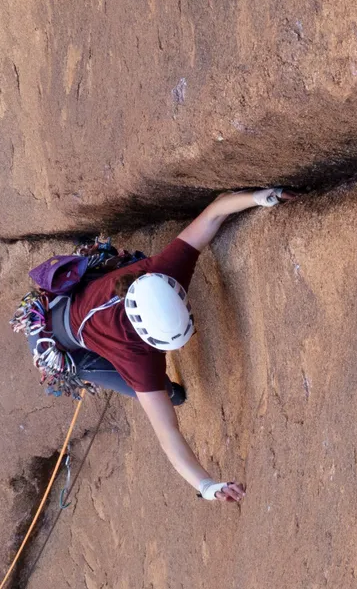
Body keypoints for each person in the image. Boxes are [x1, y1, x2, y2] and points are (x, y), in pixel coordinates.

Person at [52, 187, 282, 502]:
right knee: (154, 393)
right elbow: (167, 435)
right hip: (62, 341)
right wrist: (205, 486)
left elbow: (215, 212)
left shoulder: (161, 273)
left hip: (79, 295)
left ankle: (168, 392)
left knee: (157, 390)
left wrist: (263, 197)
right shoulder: (136, 359)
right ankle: (168, 392)